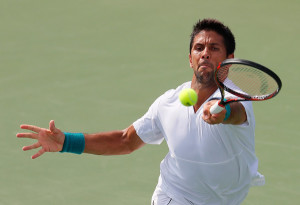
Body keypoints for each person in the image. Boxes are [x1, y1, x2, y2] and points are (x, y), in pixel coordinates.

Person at [17, 18, 265, 205]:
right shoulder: (167, 104)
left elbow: (235, 113)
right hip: (174, 196)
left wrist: (221, 113)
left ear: (229, 59)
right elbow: (126, 141)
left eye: (214, 48)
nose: (205, 53)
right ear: (190, 58)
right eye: (199, 48)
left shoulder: (236, 98)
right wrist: (65, 142)